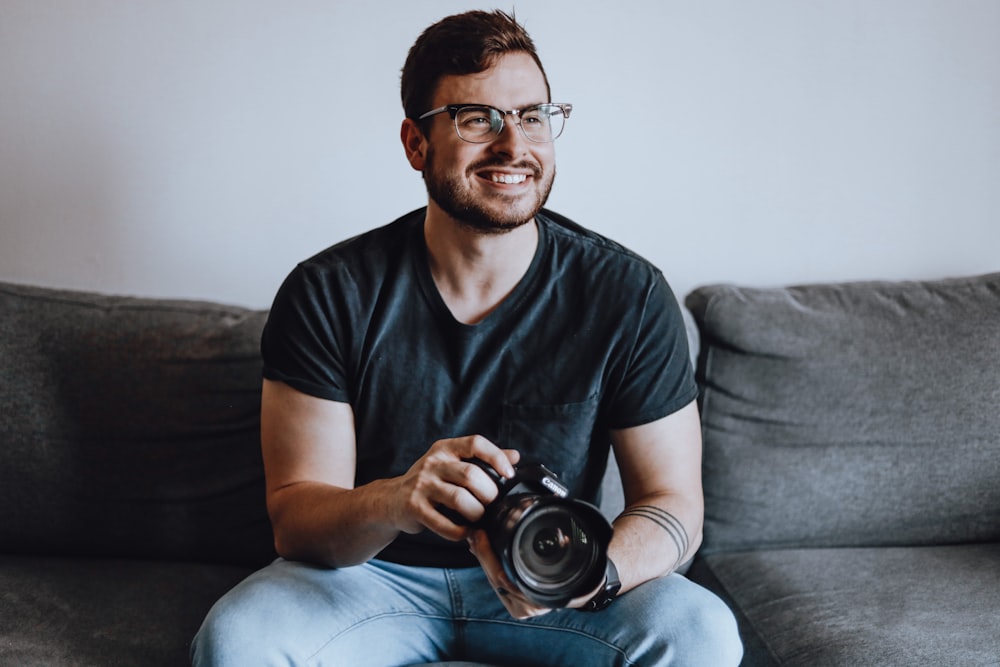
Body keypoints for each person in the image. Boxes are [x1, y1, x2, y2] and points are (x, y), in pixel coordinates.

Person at [192, 9, 742, 666]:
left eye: (533, 116)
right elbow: (295, 517)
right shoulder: (328, 291)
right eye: (478, 118)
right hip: (370, 580)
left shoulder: (629, 293)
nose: (515, 146)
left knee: (701, 629)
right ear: (416, 143)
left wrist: (590, 574)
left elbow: (673, 505)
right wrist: (396, 499)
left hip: (562, 581)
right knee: (239, 639)